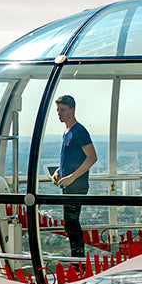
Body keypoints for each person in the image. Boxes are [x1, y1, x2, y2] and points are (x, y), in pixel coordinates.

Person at [50, 94, 96, 258]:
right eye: (57, 110)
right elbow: (72, 157)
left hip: (76, 185)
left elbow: (92, 157)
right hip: (69, 184)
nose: (59, 114)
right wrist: (58, 172)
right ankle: (77, 261)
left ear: (72, 109)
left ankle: (78, 261)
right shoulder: (67, 132)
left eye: (62, 110)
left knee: (72, 224)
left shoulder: (79, 131)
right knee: (70, 224)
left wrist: (72, 177)